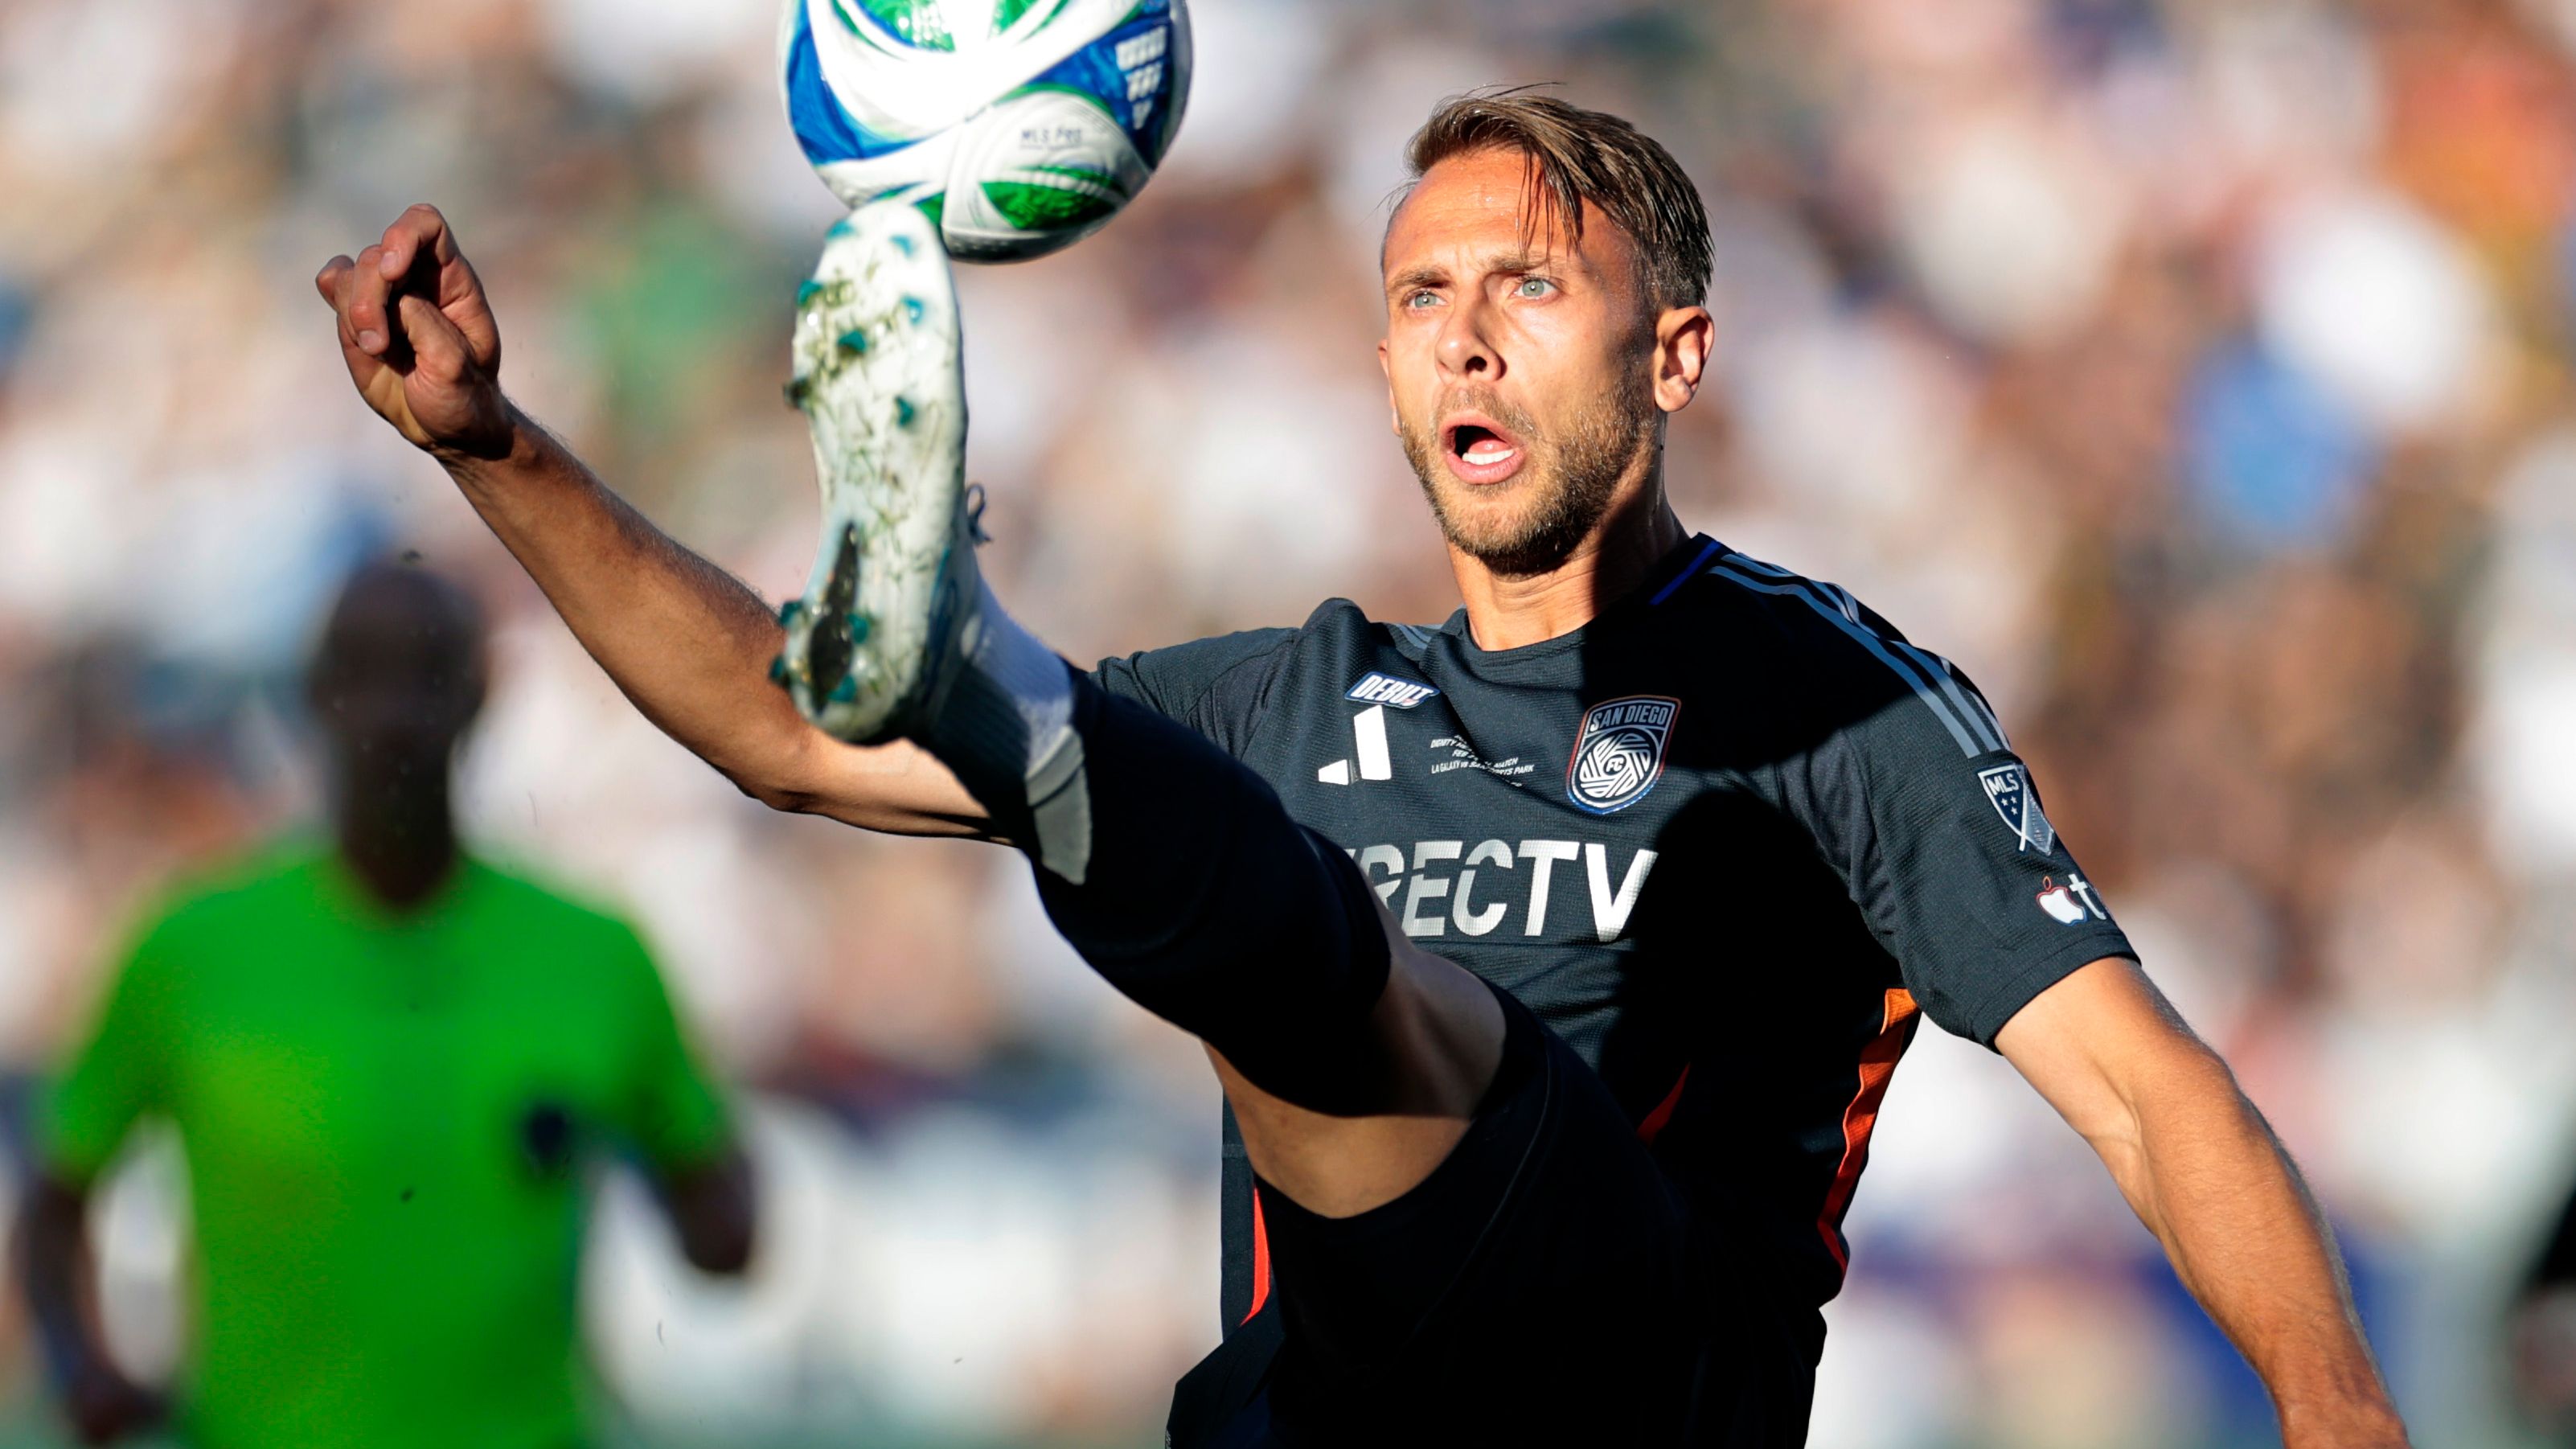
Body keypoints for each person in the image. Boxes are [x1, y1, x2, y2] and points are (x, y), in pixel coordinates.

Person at [311, 91, 2407, 1447]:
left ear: (1670, 351)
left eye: (1526, 287)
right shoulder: (1295, 696)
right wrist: (493, 445)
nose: (1463, 337)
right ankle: (982, 694)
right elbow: (778, 730)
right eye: (1419, 296)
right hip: (1313, 1419)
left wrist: (2333, 1411)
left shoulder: (1821, 698)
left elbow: (2139, 1080)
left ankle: (989, 691)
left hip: (1623, 1381)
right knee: (1278, 950)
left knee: (1348, 991)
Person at [14, 563, 755, 1449]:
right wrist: (78, 1368)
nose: (396, 712)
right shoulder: (190, 952)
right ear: (316, 695)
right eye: (364, 673)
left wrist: (676, 1188)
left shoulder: (597, 956)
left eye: (429, 672)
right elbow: (54, 1199)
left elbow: (725, 1229)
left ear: (480, 696)